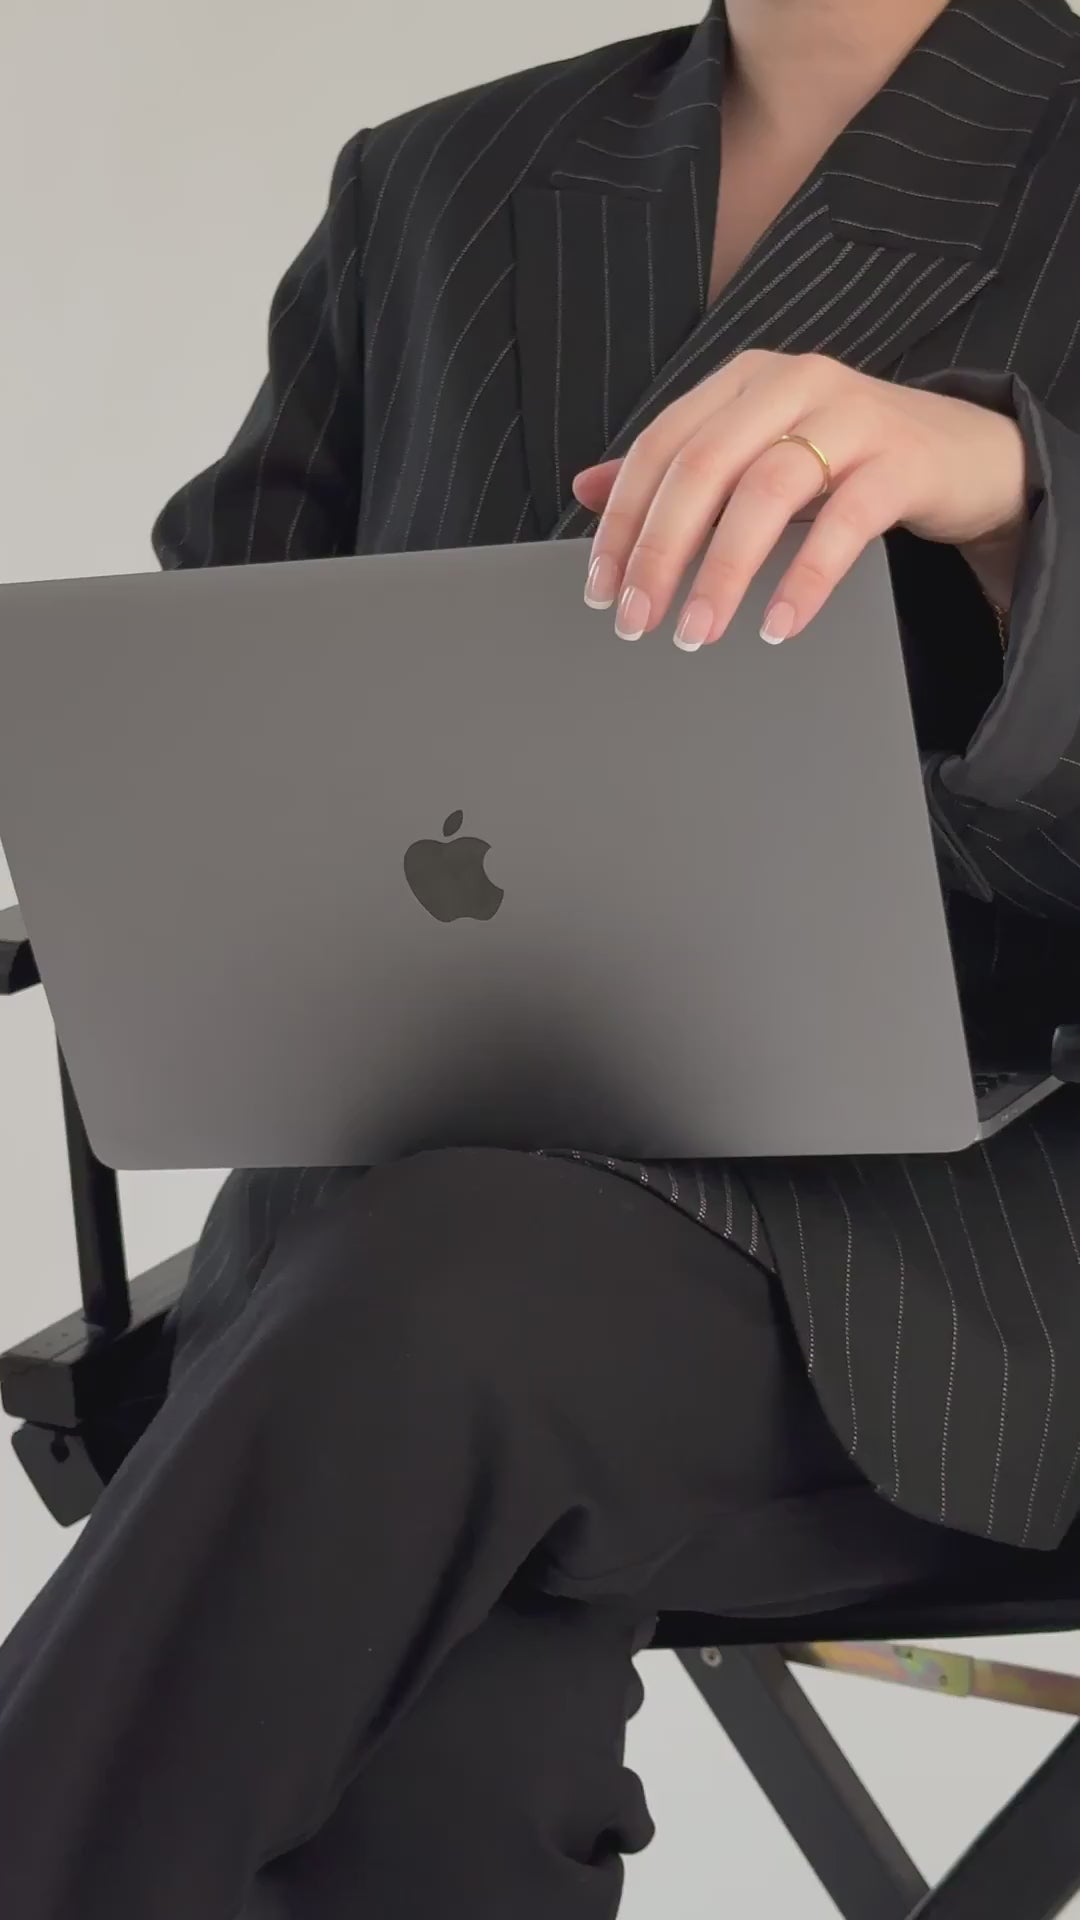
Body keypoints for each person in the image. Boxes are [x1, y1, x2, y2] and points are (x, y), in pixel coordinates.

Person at [5, 0, 1080, 1913]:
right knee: (424, 1699)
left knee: (440, 1314)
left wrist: (1010, 507)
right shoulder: (437, 180)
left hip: (970, 1241)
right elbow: (218, 678)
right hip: (416, 1219)